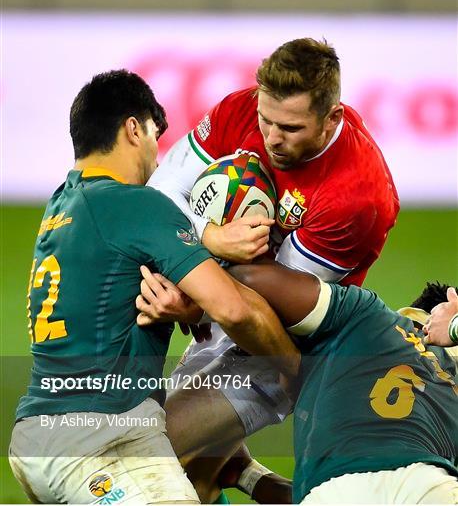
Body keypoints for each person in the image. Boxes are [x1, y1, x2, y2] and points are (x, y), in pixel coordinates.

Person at [8, 70, 300, 505]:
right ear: (132, 128)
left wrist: (186, 300)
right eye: (153, 138)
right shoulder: (137, 205)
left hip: (47, 434)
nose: (157, 158)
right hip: (98, 442)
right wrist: (296, 371)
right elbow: (236, 310)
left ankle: (246, 474)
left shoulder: (62, 207)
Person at [145, 37, 400, 500]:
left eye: (290, 127)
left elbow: (266, 299)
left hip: (285, 348)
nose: (271, 138)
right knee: (189, 478)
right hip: (226, 302)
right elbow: (160, 192)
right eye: (266, 120)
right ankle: (252, 479)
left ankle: (246, 474)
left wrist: (192, 299)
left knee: (150, 453)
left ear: (332, 118)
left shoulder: (358, 196)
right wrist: (208, 240)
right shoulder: (242, 108)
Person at [140, 263, 458, 504]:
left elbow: (250, 279)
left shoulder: (367, 315)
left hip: (338, 492)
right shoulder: (452, 396)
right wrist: (250, 476)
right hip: (433, 487)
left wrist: (194, 288)